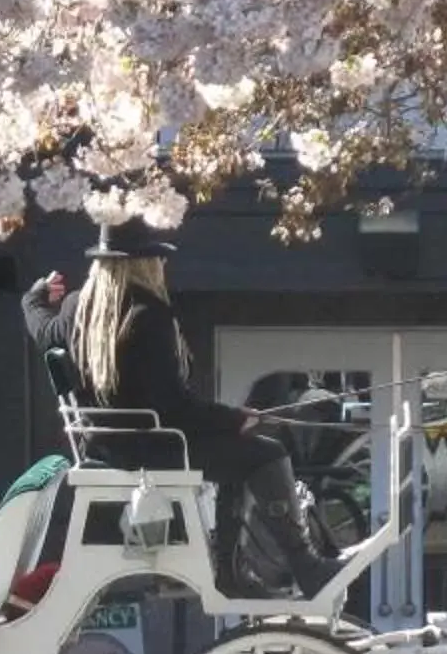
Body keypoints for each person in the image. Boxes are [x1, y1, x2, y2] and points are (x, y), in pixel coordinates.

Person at [29, 218, 336, 596]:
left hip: (109, 445)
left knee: (239, 455)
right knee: (265, 454)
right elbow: (173, 409)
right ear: (144, 264)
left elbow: (42, 330)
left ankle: (233, 571)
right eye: (158, 259)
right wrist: (234, 418)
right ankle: (300, 566)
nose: (163, 266)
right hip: (154, 443)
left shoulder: (77, 309)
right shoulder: (148, 315)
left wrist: (35, 298)